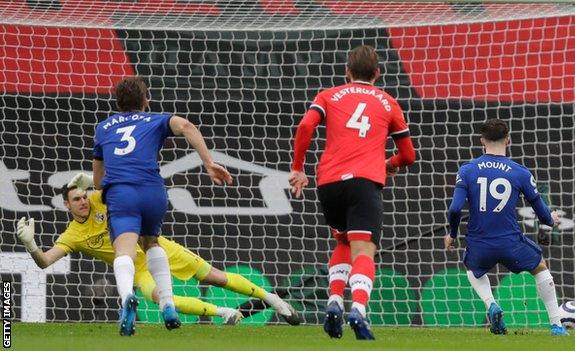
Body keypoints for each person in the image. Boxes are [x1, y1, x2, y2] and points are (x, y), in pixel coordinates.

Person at [15, 174, 300, 326]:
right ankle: (224, 311)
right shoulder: (72, 235)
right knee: (161, 299)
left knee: (216, 277)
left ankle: (271, 298)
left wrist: (92, 181)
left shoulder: (100, 199)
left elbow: (117, 185)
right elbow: (45, 261)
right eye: (76, 199)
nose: (82, 202)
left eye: (83, 196)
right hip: (138, 268)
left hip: (157, 247)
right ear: (66, 204)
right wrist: (31, 245)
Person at [289, 45, 416, 340]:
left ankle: (334, 301)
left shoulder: (328, 95)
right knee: (364, 250)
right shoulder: (387, 102)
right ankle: (357, 308)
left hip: (329, 184)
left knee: (343, 241)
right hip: (363, 182)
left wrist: (298, 167)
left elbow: (306, 124)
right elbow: (408, 155)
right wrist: (390, 163)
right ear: (377, 73)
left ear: (347, 72)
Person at [93, 76, 235, 335]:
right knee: (152, 243)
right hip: (152, 191)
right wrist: (208, 162)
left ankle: (126, 299)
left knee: (124, 247)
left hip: (121, 192)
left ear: (118, 102)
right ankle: (168, 304)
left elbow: (98, 181)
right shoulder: (157, 119)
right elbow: (187, 126)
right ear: (145, 101)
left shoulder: (103, 128)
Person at [445, 118, 568, 336]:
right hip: (510, 241)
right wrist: (551, 219)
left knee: (473, 269)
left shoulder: (468, 170)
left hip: (480, 242)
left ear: (482, 141)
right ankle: (557, 325)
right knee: (540, 266)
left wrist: (452, 234)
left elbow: (455, 209)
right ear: (508, 140)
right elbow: (541, 211)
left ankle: (491, 304)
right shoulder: (520, 172)